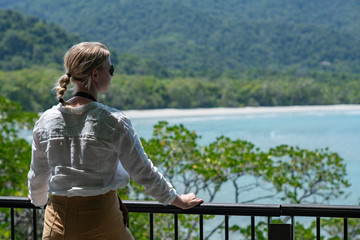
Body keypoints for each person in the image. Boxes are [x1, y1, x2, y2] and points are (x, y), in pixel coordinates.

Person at [27, 42, 203, 240]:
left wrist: (38, 199)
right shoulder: (112, 121)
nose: (112, 74)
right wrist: (177, 200)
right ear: (95, 74)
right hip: (101, 218)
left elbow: (38, 174)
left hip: (56, 222)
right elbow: (142, 171)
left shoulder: (47, 120)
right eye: (110, 69)